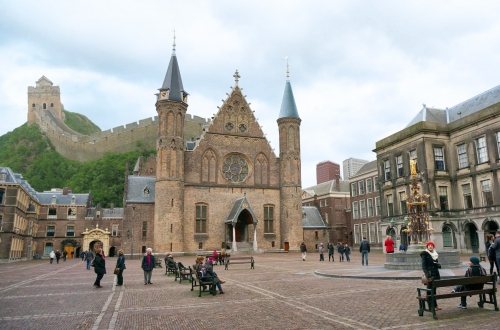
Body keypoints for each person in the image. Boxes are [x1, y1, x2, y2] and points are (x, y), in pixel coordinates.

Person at [421, 241, 441, 311]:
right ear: (427, 247)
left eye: (431, 245)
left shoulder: (435, 254)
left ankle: (435, 305)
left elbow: (434, 263)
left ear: (433, 246)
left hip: (435, 273)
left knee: (434, 290)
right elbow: (424, 266)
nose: (430, 246)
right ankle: (431, 306)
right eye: (429, 245)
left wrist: (437, 265)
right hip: (430, 275)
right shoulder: (425, 254)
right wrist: (427, 275)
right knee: (430, 291)